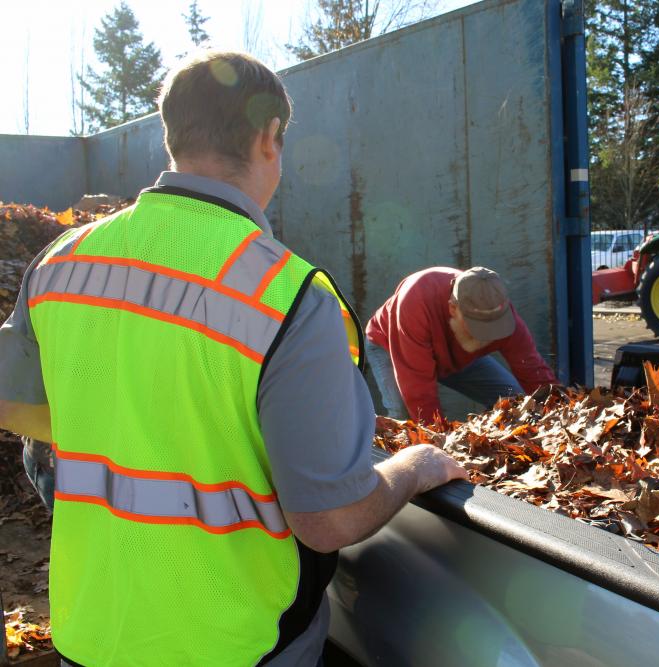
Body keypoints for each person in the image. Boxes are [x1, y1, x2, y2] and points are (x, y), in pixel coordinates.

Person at [0, 50, 466, 665]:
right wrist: (417, 467)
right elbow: (329, 518)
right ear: (269, 138)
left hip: (92, 634)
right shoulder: (289, 296)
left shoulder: (64, 261)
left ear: (173, 135)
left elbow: (15, 403)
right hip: (236, 646)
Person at [365, 266, 558, 423]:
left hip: (457, 356)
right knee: (406, 418)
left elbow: (534, 372)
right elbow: (419, 394)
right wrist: (437, 445)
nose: (487, 337)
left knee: (516, 402)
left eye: (493, 328)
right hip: (393, 346)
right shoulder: (415, 304)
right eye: (479, 328)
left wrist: (563, 412)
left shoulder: (503, 314)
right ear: (453, 308)